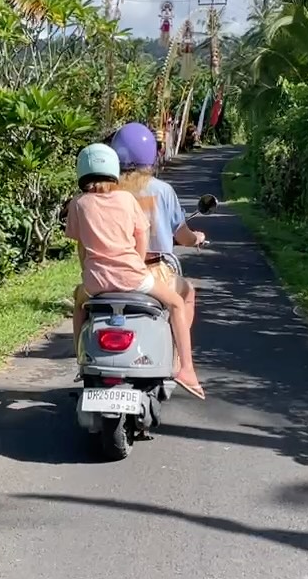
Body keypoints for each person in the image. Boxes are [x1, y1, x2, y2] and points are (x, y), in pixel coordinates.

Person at [65, 143, 204, 399]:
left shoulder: (79, 203)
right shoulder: (127, 199)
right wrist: (138, 265)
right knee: (175, 302)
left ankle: (81, 361)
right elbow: (141, 236)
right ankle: (186, 368)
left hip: (95, 283)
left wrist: (89, 272)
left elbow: (81, 248)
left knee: (79, 304)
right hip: (134, 278)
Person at [110, 121, 204, 332]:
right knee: (187, 294)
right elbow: (182, 235)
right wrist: (195, 238)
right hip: (154, 271)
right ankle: (183, 362)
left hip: (112, 272)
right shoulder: (163, 191)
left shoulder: (107, 190)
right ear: (151, 156)